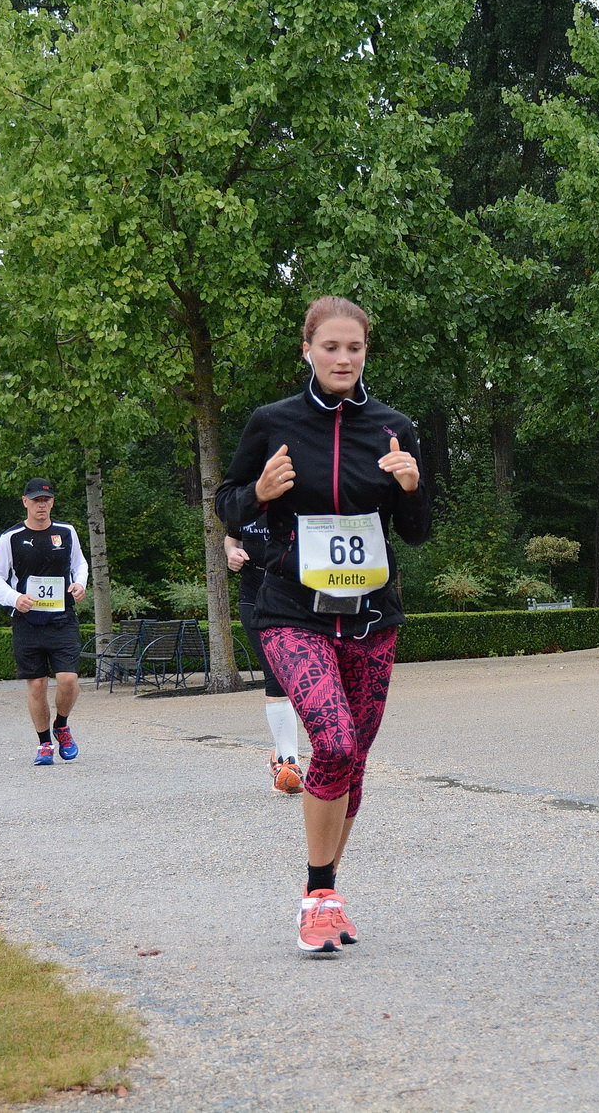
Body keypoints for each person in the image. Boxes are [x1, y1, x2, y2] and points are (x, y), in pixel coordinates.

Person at [215, 295, 432, 954]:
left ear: (367, 352)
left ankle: (328, 890)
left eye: (355, 348)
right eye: (330, 346)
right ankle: (315, 893)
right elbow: (227, 505)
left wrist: (413, 484)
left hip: (371, 616)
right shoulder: (271, 422)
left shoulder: (394, 427)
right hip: (290, 609)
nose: (343, 358)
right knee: (332, 740)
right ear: (307, 349)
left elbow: (417, 534)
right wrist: (259, 493)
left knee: (353, 760)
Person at [0, 479, 89, 766]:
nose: (41, 505)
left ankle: (62, 725)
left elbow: (80, 564)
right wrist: (13, 597)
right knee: (37, 685)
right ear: (25, 502)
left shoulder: (66, 532)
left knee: (68, 679)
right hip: (28, 621)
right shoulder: (12, 537)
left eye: (46, 500)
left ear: (52, 502)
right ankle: (44, 744)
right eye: (35, 500)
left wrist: (80, 584)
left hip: (62, 618)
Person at [224, 525, 306, 794]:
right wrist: (232, 553)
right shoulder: (246, 498)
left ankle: (282, 756)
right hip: (254, 598)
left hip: (297, 597)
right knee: (275, 673)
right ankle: (288, 763)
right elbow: (232, 538)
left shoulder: (303, 493)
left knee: (299, 675)